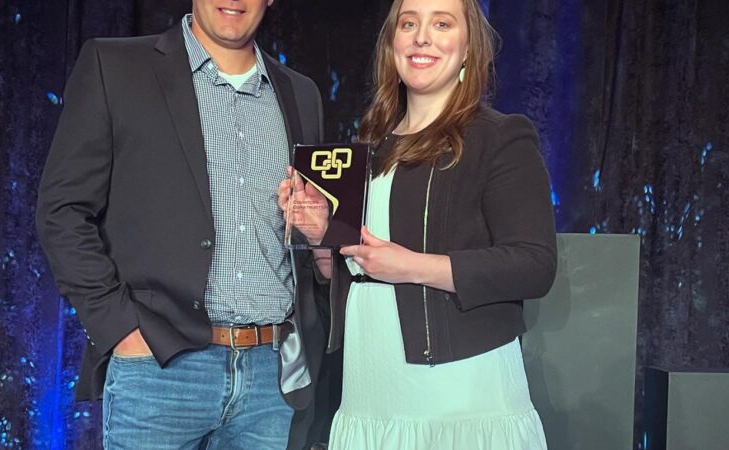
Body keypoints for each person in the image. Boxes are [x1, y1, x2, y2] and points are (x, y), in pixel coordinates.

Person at [35, 0, 327, 448]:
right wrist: (120, 328)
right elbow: (62, 210)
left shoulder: (300, 93)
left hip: (272, 380)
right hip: (159, 369)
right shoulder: (116, 66)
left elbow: (306, 233)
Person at [280, 0, 556, 448]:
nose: (422, 37)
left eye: (442, 23)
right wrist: (320, 237)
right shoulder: (370, 146)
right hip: (369, 392)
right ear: (392, 44)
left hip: (458, 398)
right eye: (409, 24)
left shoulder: (499, 136)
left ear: (469, 48)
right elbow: (354, 271)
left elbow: (534, 264)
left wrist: (410, 266)